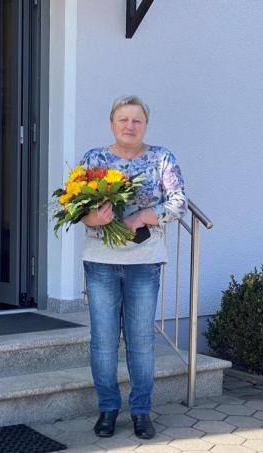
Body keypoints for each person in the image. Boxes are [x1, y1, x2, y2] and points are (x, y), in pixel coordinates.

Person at [79, 96, 187, 439]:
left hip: (143, 261)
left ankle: (141, 411)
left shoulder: (161, 158)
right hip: (102, 262)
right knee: (103, 341)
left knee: (140, 340)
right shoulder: (94, 158)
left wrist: (143, 216)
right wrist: (95, 216)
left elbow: (178, 202)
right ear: (112, 123)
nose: (129, 126)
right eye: (123, 119)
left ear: (145, 125)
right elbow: (77, 205)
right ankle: (108, 409)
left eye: (136, 120)